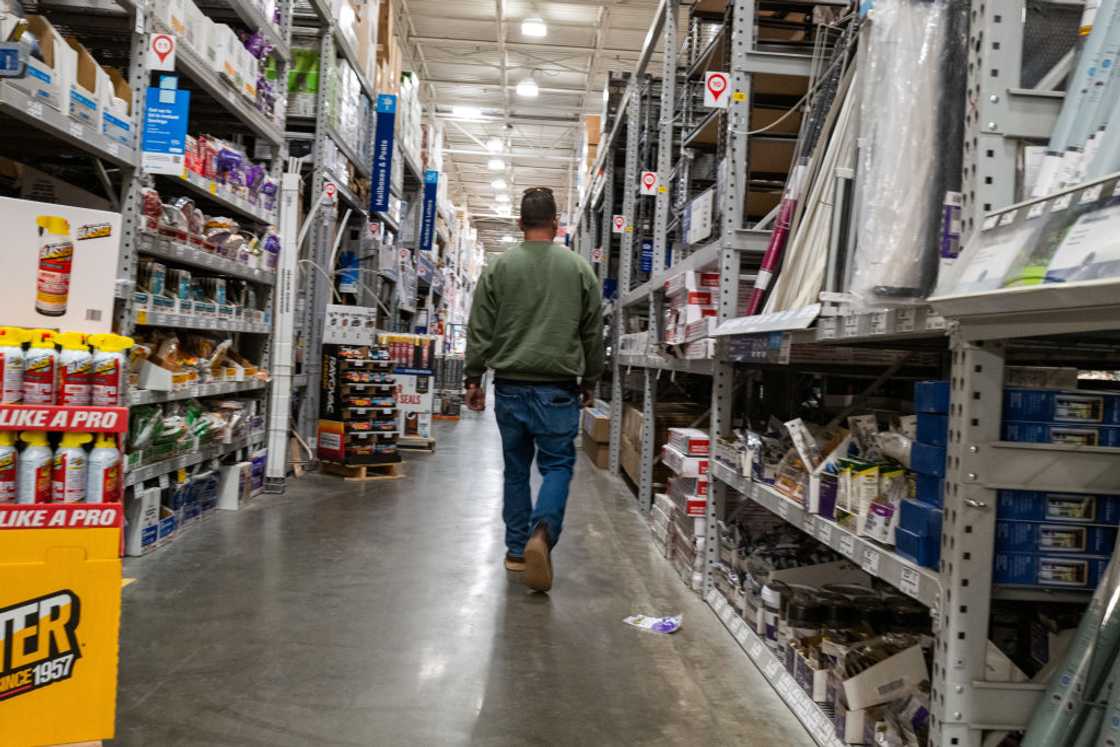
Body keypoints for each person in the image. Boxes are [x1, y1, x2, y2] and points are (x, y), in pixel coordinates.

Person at [464, 187, 604, 592]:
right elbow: (592, 333)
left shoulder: (498, 268)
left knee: (515, 469)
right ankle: (541, 535)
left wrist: (474, 378)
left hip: (509, 387)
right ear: (557, 225)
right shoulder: (579, 270)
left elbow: (480, 329)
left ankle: (513, 552)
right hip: (558, 389)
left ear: (520, 223)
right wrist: (590, 379)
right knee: (557, 466)